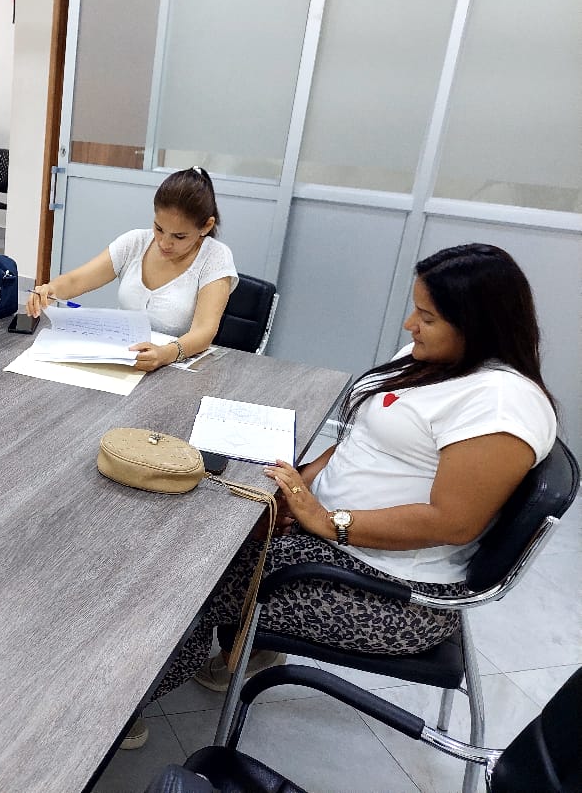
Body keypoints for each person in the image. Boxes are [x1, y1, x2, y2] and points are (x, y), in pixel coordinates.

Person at [121, 243, 558, 749]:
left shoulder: (501, 405)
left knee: (182, 578)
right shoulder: (434, 361)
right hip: (338, 546)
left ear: (479, 326)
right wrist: (298, 488)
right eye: (415, 309)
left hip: (389, 592)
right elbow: (360, 440)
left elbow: (452, 522)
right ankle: (229, 650)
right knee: (197, 523)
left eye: (427, 318)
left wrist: (330, 522)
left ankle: (119, 708)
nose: (409, 326)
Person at [26, 167, 237, 371]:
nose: (164, 243)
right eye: (159, 228)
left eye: (179, 236)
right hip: (124, 358)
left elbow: (204, 331)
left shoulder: (215, 257)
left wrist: (165, 354)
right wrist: (51, 290)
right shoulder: (135, 242)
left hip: (174, 368)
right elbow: (77, 280)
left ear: (206, 226)